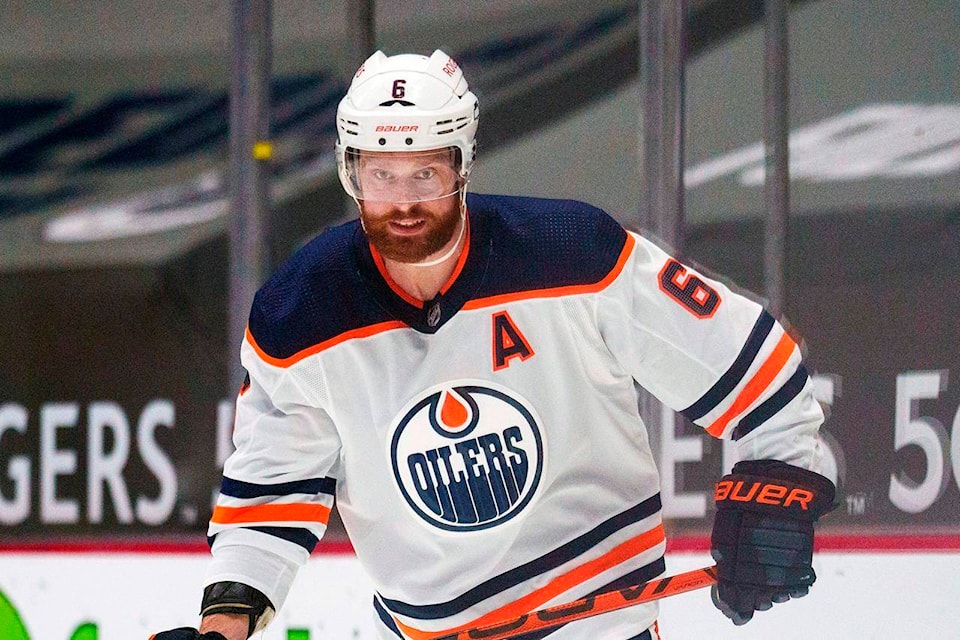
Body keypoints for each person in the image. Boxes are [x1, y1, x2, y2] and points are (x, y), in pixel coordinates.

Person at [152, 49, 836, 640]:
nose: (404, 201)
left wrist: (782, 482)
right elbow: (271, 492)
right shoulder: (298, 315)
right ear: (350, 172)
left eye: (426, 174)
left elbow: (756, 367)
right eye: (381, 175)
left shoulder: (572, 256)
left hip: (601, 624)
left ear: (463, 164)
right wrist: (227, 621)